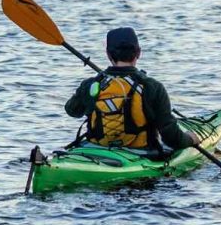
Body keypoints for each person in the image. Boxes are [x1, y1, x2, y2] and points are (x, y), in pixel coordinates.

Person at [65, 26, 192, 156]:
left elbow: (72, 110)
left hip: (96, 151)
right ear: (139, 53)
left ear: (108, 54)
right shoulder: (152, 87)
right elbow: (171, 137)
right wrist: (190, 139)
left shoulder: (91, 84)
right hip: (141, 154)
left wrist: (86, 90)